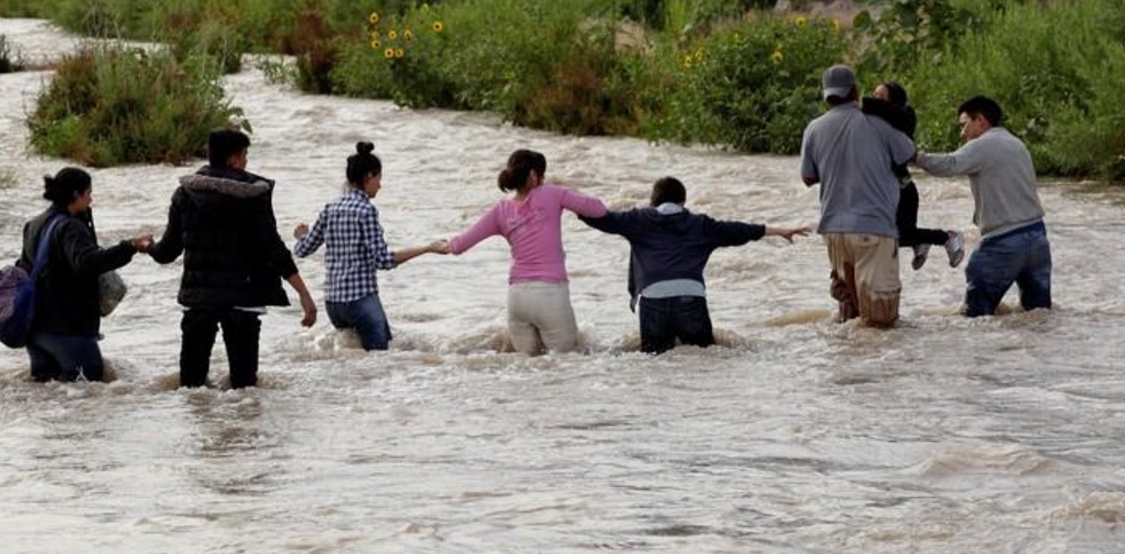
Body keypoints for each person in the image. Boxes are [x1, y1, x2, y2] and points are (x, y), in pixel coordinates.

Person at [148, 128, 318, 389]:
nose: (247, 161)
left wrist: (146, 247)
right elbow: (275, 250)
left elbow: (167, 252)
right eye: (245, 155)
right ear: (233, 160)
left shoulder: (184, 194)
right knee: (245, 389)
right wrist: (304, 294)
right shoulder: (254, 196)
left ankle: (193, 431)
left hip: (199, 302)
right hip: (243, 302)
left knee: (191, 389)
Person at [579, 176, 810, 354]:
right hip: (690, 296)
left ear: (653, 201)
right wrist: (779, 231)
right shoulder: (700, 224)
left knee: (654, 361)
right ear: (682, 201)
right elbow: (739, 230)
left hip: (653, 297)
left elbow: (603, 219)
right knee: (703, 356)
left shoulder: (638, 219)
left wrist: (569, 204)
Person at [433, 149, 607, 355]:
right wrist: (569, 191)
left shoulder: (500, 210)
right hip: (550, 294)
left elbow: (459, 245)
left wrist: (436, 246)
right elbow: (598, 209)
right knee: (566, 367)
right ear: (534, 176)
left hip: (517, 298)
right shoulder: (552, 193)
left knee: (525, 369)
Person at [292, 142, 443, 351]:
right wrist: (427, 248)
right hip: (360, 300)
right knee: (381, 359)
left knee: (354, 362)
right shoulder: (366, 210)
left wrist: (301, 235)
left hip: (333, 304)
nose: (380, 185)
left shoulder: (330, 208)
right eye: (379, 178)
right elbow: (383, 260)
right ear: (368, 177)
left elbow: (302, 250)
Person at [800, 64, 916, 326]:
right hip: (874, 230)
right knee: (880, 323)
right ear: (855, 91)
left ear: (826, 95)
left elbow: (808, 177)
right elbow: (908, 153)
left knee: (849, 314)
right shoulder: (877, 124)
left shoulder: (814, 129)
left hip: (833, 233)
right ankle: (881, 368)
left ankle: (850, 367)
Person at [915, 95, 1052, 317]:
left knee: (975, 317)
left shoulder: (983, 145)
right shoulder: (1017, 143)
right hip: (1037, 238)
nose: (962, 133)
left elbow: (949, 165)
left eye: (964, 125)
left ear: (980, 120)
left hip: (1003, 242)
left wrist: (913, 157)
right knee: (1037, 314)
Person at [20, 167, 153, 382]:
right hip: (68, 327)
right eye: (89, 193)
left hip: (37, 329)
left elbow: (24, 267)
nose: (91, 199)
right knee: (89, 388)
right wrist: (130, 246)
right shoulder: (71, 227)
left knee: (47, 397)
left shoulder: (33, 225)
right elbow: (88, 262)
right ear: (76, 195)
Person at [862, 81, 966, 270]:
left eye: (880, 97)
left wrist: (860, 103)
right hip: (890, 191)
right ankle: (920, 241)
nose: (874, 100)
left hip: (903, 191)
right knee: (884, 237)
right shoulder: (877, 122)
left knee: (895, 237)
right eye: (874, 95)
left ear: (894, 101)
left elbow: (888, 111)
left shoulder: (903, 117)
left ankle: (947, 237)